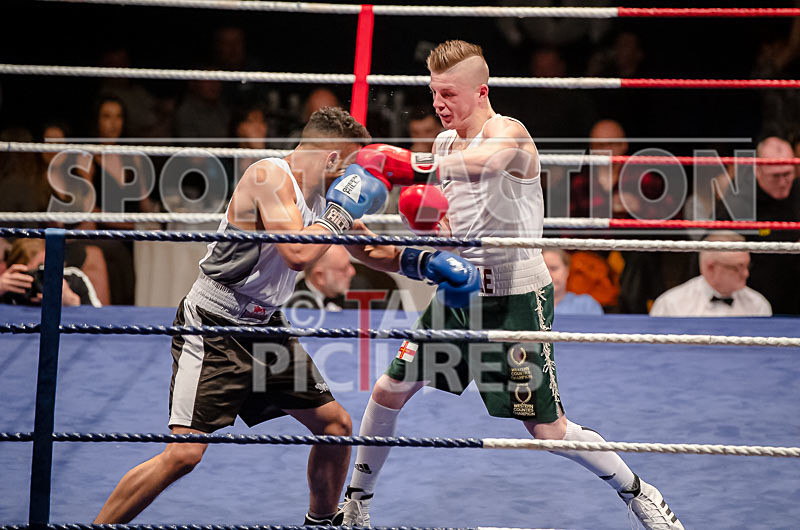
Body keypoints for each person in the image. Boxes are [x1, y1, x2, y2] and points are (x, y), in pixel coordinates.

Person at [340, 41, 682, 529]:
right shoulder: (443, 145)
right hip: (460, 291)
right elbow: (452, 226)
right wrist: (416, 227)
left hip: (517, 295)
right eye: (434, 92)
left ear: (481, 91)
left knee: (547, 430)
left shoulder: (509, 133)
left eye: (449, 94)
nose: (438, 104)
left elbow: (488, 163)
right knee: (389, 390)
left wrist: (408, 166)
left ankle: (638, 492)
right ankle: (356, 503)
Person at [93, 106, 476, 524]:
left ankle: (320, 522)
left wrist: (424, 263)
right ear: (332, 159)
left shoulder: (325, 197)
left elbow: (369, 248)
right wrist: (339, 212)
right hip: (215, 324)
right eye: (352, 167)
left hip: (266, 327)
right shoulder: (268, 177)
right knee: (184, 455)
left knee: (335, 428)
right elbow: (296, 253)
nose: (356, 178)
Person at [715, 136, 800, 315]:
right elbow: (715, 249)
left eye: (787, 174)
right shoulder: (739, 200)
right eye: (775, 176)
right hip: (754, 294)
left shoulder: (797, 190)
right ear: (758, 170)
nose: (783, 182)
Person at [650, 232, 771, 317]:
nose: (746, 274)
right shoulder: (671, 305)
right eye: (736, 268)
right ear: (710, 268)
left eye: (747, 266)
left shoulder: (758, 305)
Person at [0, 239, 100, 307]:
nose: (38, 280)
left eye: (43, 270)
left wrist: (73, 304)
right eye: (30, 274)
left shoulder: (74, 279)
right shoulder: (6, 288)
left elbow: (98, 324)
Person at [290, 245, 356, 311]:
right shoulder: (294, 308)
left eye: (350, 264)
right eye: (344, 269)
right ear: (319, 276)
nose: (352, 272)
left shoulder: (354, 292)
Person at [543, 249, 603, 315]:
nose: (548, 275)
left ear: (567, 270)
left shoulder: (586, 305)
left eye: (554, 268)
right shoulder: (533, 306)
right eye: (542, 270)